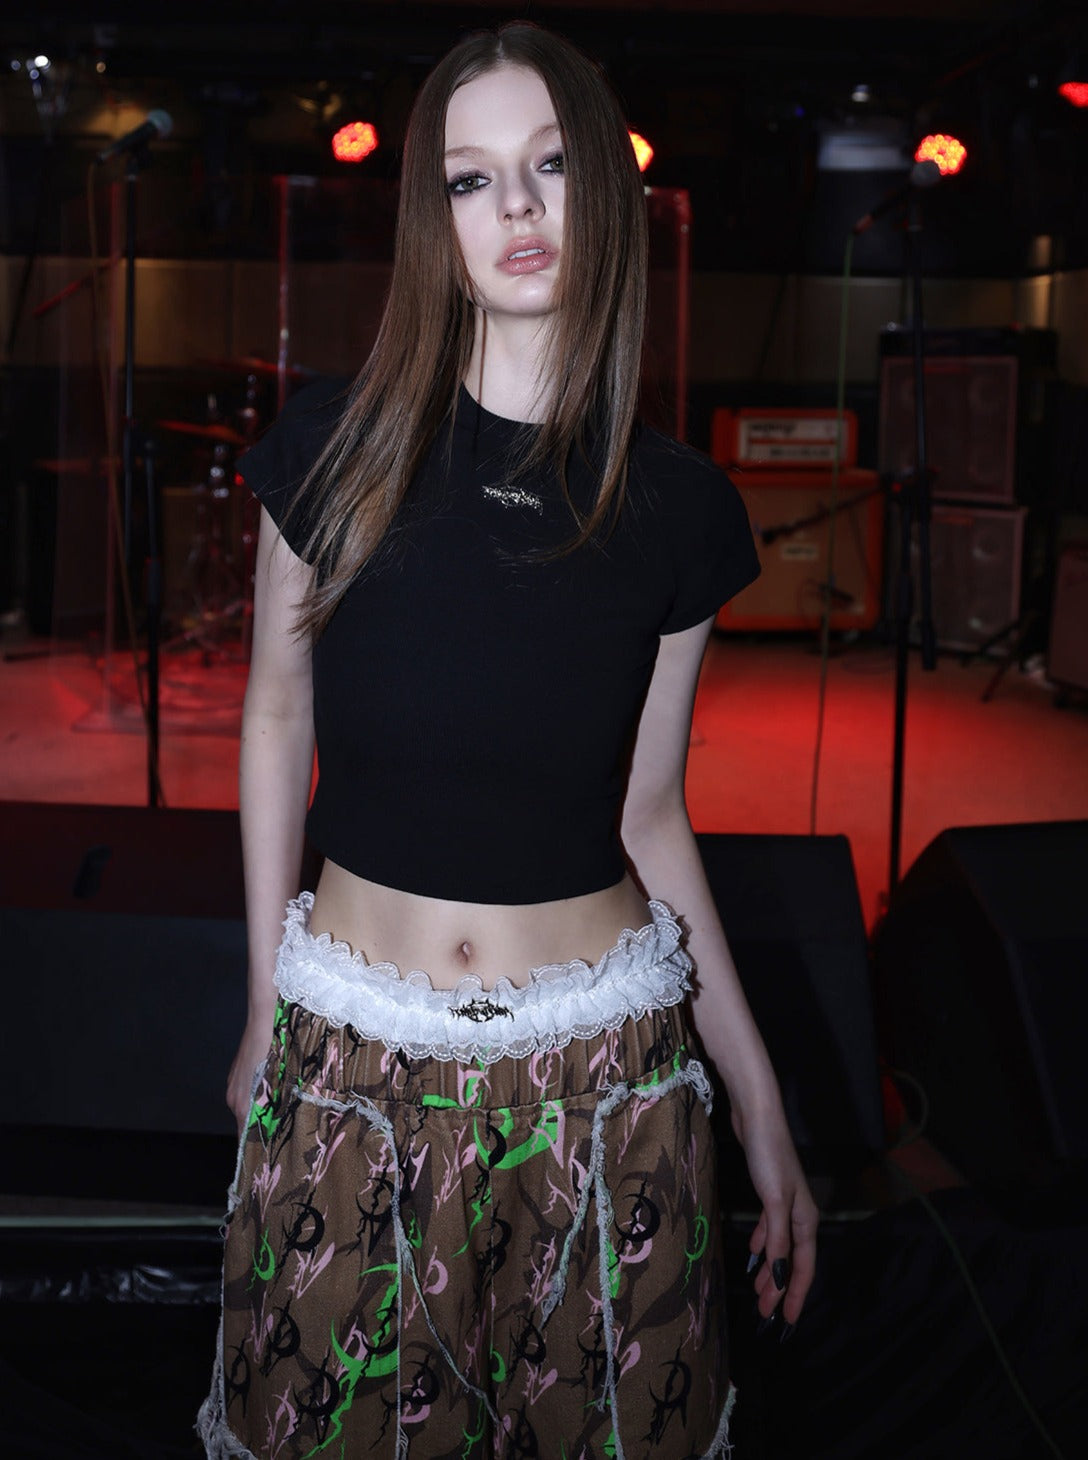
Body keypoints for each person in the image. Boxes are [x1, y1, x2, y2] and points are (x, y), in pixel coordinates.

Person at [199, 21, 817, 1460]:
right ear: (437, 219)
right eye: (472, 179)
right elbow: (275, 718)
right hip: (350, 1065)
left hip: (611, 1090)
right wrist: (262, 1007)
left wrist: (761, 1101)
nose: (519, 208)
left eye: (550, 166)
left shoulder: (679, 509)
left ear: (604, 186)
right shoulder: (334, 449)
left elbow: (651, 814)